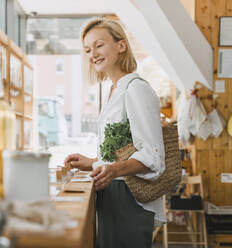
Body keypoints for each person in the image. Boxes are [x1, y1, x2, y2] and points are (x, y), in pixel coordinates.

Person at [64, 18, 165, 248]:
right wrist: (93, 162)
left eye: (99, 45)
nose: (92, 54)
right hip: (114, 193)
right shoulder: (114, 90)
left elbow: (152, 156)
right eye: (88, 49)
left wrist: (113, 169)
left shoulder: (136, 89)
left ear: (121, 46)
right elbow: (121, 151)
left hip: (129, 198)